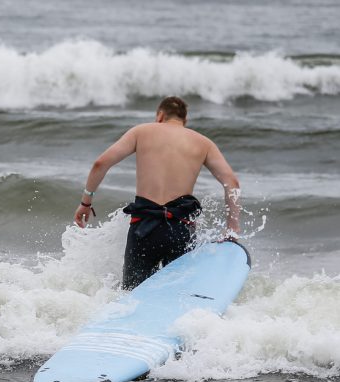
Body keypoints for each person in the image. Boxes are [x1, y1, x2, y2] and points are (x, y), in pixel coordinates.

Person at [74, 96, 241, 290]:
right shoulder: (203, 143)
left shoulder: (141, 132)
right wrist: (232, 228)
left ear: (160, 115)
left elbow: (100, 164)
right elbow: (232, 182)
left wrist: (86, 203)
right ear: (184, 121)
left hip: (144, 228)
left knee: (132, 295)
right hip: (181, 229)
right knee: (176, 295)